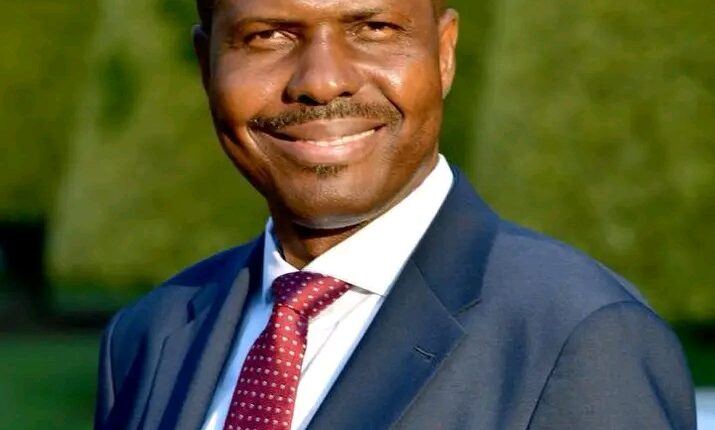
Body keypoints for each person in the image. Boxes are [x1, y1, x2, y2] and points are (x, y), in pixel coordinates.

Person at [93, 0, 696, 429]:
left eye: (373, 29)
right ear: (207, 67)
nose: (322, 82)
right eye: (268, 36)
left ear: (444, 53)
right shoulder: (148, 337)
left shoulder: (580, 338)